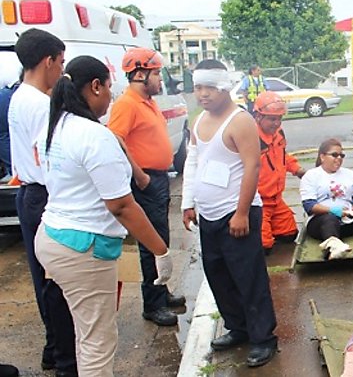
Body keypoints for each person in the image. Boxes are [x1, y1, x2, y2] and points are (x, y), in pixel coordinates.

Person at [35, 55, 173, 376]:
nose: (111, 95)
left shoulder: (56, 125)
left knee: (86, 333)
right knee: (97, 343)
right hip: (81, 248)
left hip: (53, 235)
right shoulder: (93, 135)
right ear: (95, 86)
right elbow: (121, 206)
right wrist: (160, 251)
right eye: (110, 87)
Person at [181, 59, 278, 368]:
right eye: (198, 88)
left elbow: (252, 166)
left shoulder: (240, 121)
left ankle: (263, 338)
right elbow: (192, 161)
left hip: (237, 213)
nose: (203, 94)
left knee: (249, 278)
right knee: (218, 275)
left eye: (209, 87)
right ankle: (239, 328)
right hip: (208, 215)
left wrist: (240, 213)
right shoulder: (198, 121)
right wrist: (188, 202)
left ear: (223, 86)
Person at [8, 28, 78, 377]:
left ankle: (54, 348)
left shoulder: (19, 97)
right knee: (57, 279)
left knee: (43, 278)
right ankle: (65, 357)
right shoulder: (40, 104)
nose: (61, 71)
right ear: (48, 61)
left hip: (29, 194)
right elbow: (51, 159)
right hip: (45, 194)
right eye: (61, 62)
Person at [107, 47, 184, 327]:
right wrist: (139, 175)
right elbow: (115, 139)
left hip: (159, 179)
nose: (160, 79)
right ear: (140, 74)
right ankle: (152, 304)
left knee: (161, 239)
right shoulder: (127, 104)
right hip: (147, 182)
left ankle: (161, 292)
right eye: (156, 73)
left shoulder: (146, 101)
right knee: (151, 243)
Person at [253, 91, 304, 254]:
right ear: (258, 116)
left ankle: (267, 228)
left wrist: (298, 170)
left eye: (279, 118)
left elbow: (283, 156)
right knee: (264, 247)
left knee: (290, 235)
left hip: (276, 199)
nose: (276, 123)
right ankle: (258, 230)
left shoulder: (278, 134)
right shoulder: (250, 138)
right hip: (259, 202)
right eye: (272, 119)